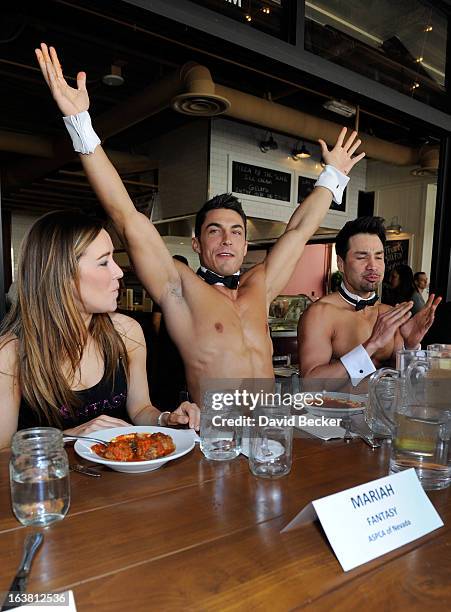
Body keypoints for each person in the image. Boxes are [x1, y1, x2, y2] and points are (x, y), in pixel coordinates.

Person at [36, 43, 366, 404]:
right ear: (196, 244)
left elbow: (299, 230)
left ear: (245, 244)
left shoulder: (262, 285)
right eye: (215, 230)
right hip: (215, 441)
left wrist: (332, 176)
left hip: (270, 434)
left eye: (236, 231)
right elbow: (127, 217)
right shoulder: (180, 289)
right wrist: (80, 123)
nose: (227, 239)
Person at [0, 211, 199, 450]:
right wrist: (67, 436)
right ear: (61, 274)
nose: (119, 272)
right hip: (54, 484)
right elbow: (2, 452)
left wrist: (165, 419)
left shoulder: (126, 332)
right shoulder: (10, 353)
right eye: (104, 262)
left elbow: (140, 409)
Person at [297, 216, 440, 385]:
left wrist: (410, 346)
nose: (373, 265)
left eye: (379, 257)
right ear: (341, 264)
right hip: (337, 410)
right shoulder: (320, 314)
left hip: (383, 411)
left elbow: (409, 383)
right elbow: (310, 384)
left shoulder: (389, 314)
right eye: (362, 257)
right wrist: (372, 344)